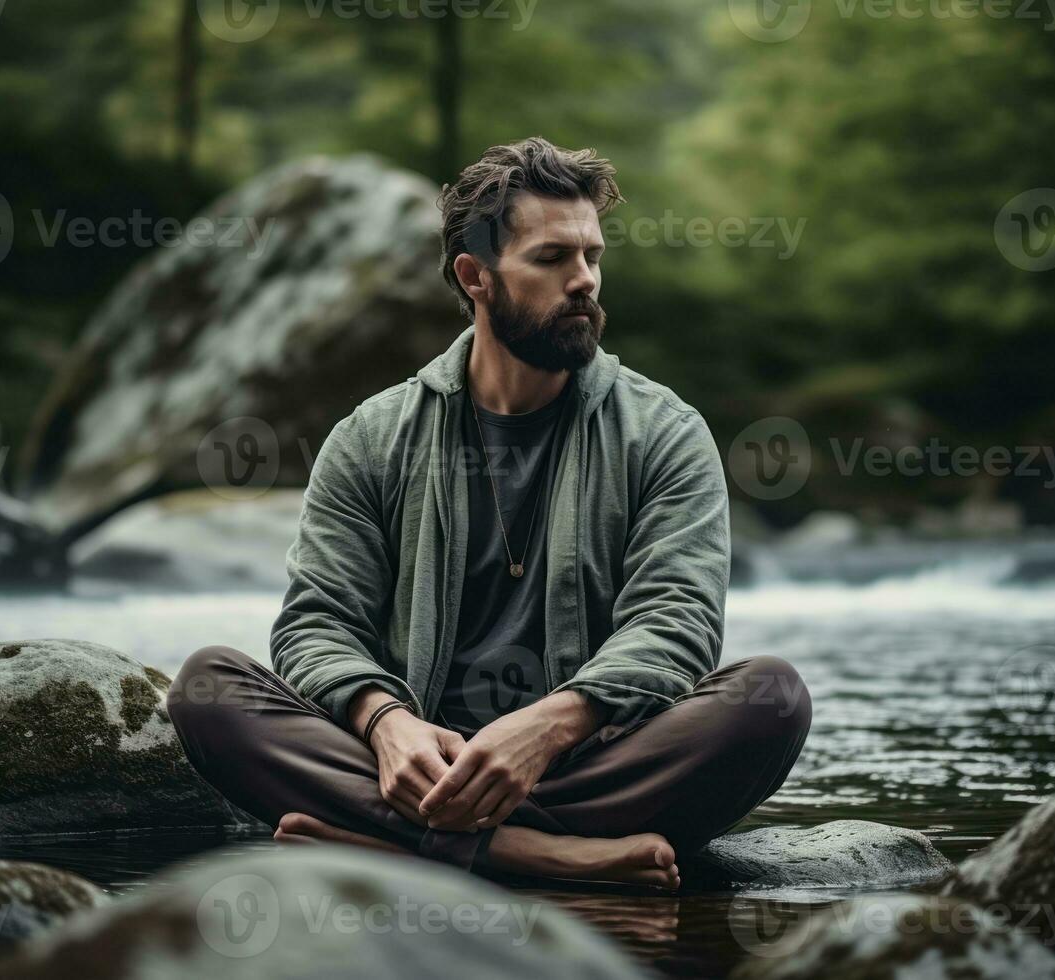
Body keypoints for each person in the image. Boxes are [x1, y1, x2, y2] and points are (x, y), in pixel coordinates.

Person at [167, 137, 811, 890]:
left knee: (770, 698)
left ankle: (398, 846)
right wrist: (385, 724)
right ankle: (540, 858)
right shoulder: (371, 439)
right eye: (551, 259)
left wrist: (548, 726)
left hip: (585, 761)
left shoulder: (663, 432)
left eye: (592, 257)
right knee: (206, 687)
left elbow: (677, 621)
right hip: (416, 767)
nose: (583, 282)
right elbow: (316, 624)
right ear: (475, 276)